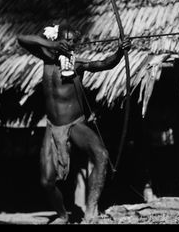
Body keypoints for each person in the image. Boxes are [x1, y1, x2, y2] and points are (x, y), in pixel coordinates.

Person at [17, 23, 131, 224]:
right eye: (66, 40)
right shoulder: (46, 58)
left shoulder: (77, 64)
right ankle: (62, 216)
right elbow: (21, 38)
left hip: (74, 124)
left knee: (101, 154)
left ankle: (91, 211)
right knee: (46, 181)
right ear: (58, 39)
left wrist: (120, 52)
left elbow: (105, 63)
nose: (69, 44)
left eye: (72, 42)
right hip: (53, 126)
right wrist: (51, 46)